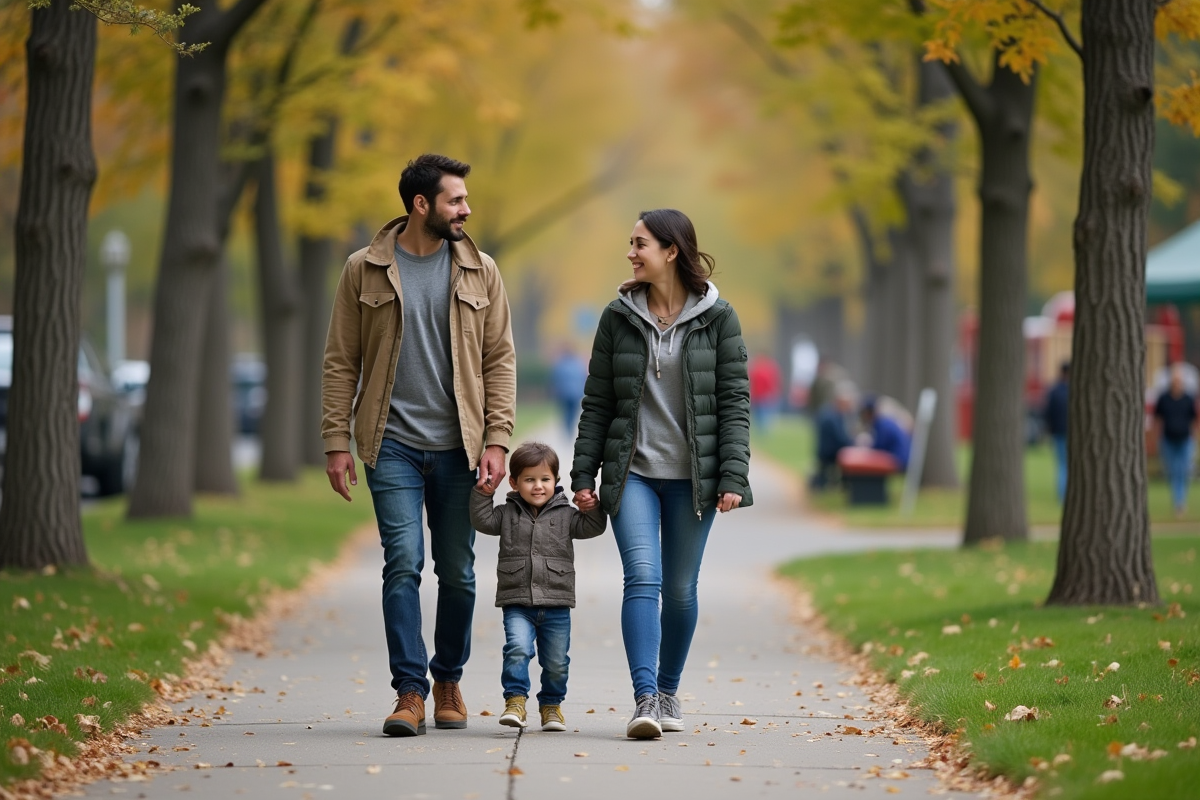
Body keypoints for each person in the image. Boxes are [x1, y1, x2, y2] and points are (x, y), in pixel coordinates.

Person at [321, 154, 516, 737]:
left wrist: (499, 439)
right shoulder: (364, 269)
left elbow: (500, 360)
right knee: (402, 564)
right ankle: (408, 692)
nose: (467, 210)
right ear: (421, 205)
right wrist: (336, 439)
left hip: (462, 446)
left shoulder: (482, 271)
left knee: (457, 572)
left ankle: (447, 679)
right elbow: (340, 362)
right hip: (393, 445)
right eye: (456, 200)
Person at [571, 209, 753, 740]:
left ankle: (669, 690)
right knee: (642, 579)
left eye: (640, 243)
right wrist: (585, 472)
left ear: (671, 250)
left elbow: (735, 402)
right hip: (634, 475)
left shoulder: (720, 319)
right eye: (631, 243)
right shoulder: (617, 316)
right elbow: (597, 403)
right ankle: (645, 696)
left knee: (679, 589)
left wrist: (733, 476)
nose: (631, 252)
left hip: (694, 479)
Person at [469, 442, 606, 732]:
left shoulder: (567, 515)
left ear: (556, 481)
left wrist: (592, 507)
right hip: (517, 601)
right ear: (514, 482)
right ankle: (515, 701)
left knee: (557, 662)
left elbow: (593, 527)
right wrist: (483, 493)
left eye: (545, 479)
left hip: (556, 603)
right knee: (517, 648)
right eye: (530, 480)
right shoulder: (507, 514)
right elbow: (481, 519)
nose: (538, 486)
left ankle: (551, 706)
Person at [1154, 365, 1198, 518]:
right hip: (1168, 440)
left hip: (1185, 440)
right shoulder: (1164, 398)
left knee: (1183, 471)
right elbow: (1157, 419)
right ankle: (1178, 501)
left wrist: (1195, 438)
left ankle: (1180, 502)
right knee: (1173, 472)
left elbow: (1193, 420)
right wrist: (1157, 438)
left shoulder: (1188, 398)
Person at [810, 385, 855, 490]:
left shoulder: (830, 412)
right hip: (829, 453)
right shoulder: (832, 416)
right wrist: (854, 443)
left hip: (826, 450)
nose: (848, 407)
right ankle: (847, 487)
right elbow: (840, 439)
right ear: (841, 402)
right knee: (849, 455)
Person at [860, 396, 911, 471]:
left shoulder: (882, 423)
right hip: (900, 457)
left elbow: (880, 446)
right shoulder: (883, 422)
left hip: (900, 459)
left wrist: (866, 447)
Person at [1043, 361, 1070, 502]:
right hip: (1072, 434)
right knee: (1069, 465)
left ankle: (1062, 495)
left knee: (1061, 465)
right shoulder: (1075, 391)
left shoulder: (1054, 391)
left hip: (1058, 433)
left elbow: (1048, 413)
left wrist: (1049, 431)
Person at [549, 348, 588, 436]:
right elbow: (583, 378)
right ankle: (569, 427)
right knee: (572, 411)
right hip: (575, 393)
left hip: (564, 393)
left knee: (565, 411)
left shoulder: (560, 365)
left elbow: (555, 378)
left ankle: (567, 427)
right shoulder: (577, 364)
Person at [748, 352, 783, 431]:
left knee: (764, 414)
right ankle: (762, 430)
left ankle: (764, 430)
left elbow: (772, 382)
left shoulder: (767, 368)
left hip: (764, 395)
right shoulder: (757, 368)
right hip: (757, 395)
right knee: (759, 414)